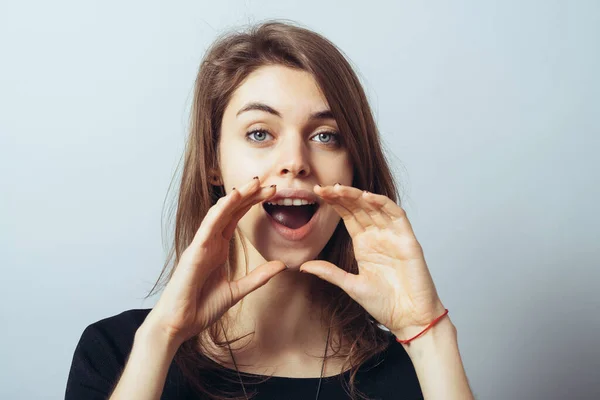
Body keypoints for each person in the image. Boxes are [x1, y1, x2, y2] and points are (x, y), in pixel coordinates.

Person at [65, 20, 474, 400]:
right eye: (260, 133)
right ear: (213, 161)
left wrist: (428, 335)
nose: (295, 161)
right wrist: (163, 337)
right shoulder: (117, 351)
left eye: (326, 135)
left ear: (353, 168)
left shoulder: (415, 370)